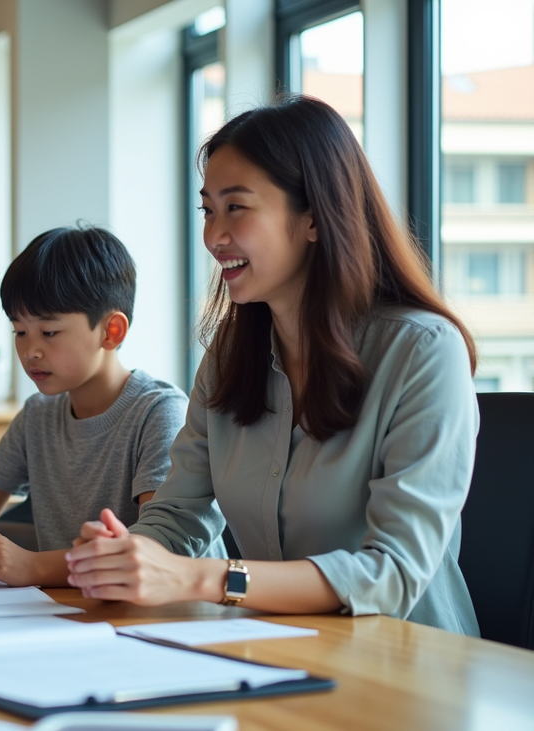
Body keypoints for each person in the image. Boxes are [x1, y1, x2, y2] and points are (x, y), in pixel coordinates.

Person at [66, 96, 481, 635]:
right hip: (276, 651)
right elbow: (180, 513)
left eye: (236, 207)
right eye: (207, 210)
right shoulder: (228, 358)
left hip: (410, 669)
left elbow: (391, 577)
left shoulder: (423, 351)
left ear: (312, 217)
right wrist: (128, 555)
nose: (214, 236)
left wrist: (201, 580)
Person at [0, 226, 196, 586]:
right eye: (19, 331)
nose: (30, 350)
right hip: (78, 606)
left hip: (172, 614)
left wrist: (31, 565)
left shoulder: (158, 412)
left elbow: (153, 551)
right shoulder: (38, 415)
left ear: (111, 331)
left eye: (48, 332)